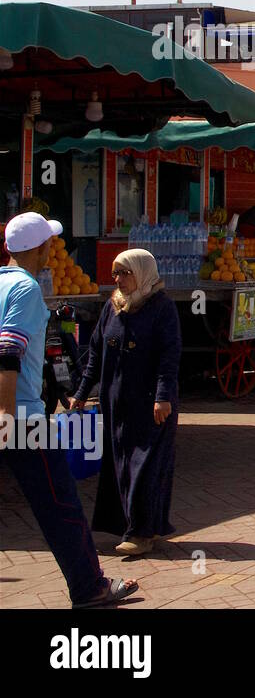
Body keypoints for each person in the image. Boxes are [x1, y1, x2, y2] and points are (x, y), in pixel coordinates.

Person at [1, 212, 137, 606]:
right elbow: (8, 353)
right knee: (60, 503)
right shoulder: (25, 288)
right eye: (50, 243)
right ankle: (89, 585)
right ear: (41, 248)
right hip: (22, 418)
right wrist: (6, 417)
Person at [69, 248, 181, 555]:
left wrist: (162, 397)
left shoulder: (161, 308)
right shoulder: (113, 307)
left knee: (144, 467)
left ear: (142, 272)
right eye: (115, 273)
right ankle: (133, 527)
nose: (118, 279)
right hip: (117, 403)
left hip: (152, 405)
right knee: (120, 466)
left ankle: (142, 534)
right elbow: (95, 354)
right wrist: (81, 393)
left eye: (125, 273)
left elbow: (169, 357)